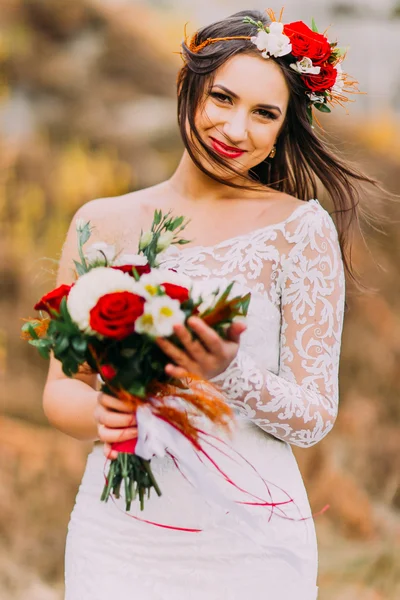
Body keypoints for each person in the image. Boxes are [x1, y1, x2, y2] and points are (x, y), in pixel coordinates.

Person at [42, 9, 377, 600]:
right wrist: (102, 413)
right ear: (187, 86)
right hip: (117, 535)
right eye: (222, 97)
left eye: (264, 114)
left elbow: (314, 416)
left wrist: (230, 372)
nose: (236, 128)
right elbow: (63, 387)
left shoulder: (301, 230)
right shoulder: (99, 223)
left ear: (281, 130)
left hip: (249, 539)